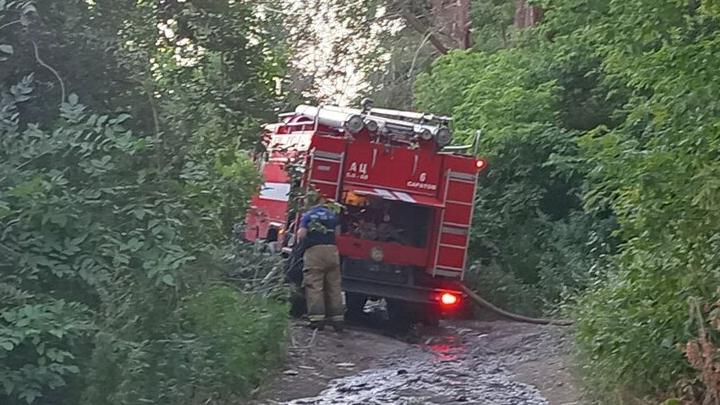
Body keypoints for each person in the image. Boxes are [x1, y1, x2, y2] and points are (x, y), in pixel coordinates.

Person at [297, 196, 344, 331]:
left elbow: (301, 234)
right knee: (334, 286)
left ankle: (317, 320)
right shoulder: (333, 215)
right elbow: (338, 234)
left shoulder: (308, 216)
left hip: (315, 252)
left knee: (314, 286)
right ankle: (338, 320)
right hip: (332, 251)